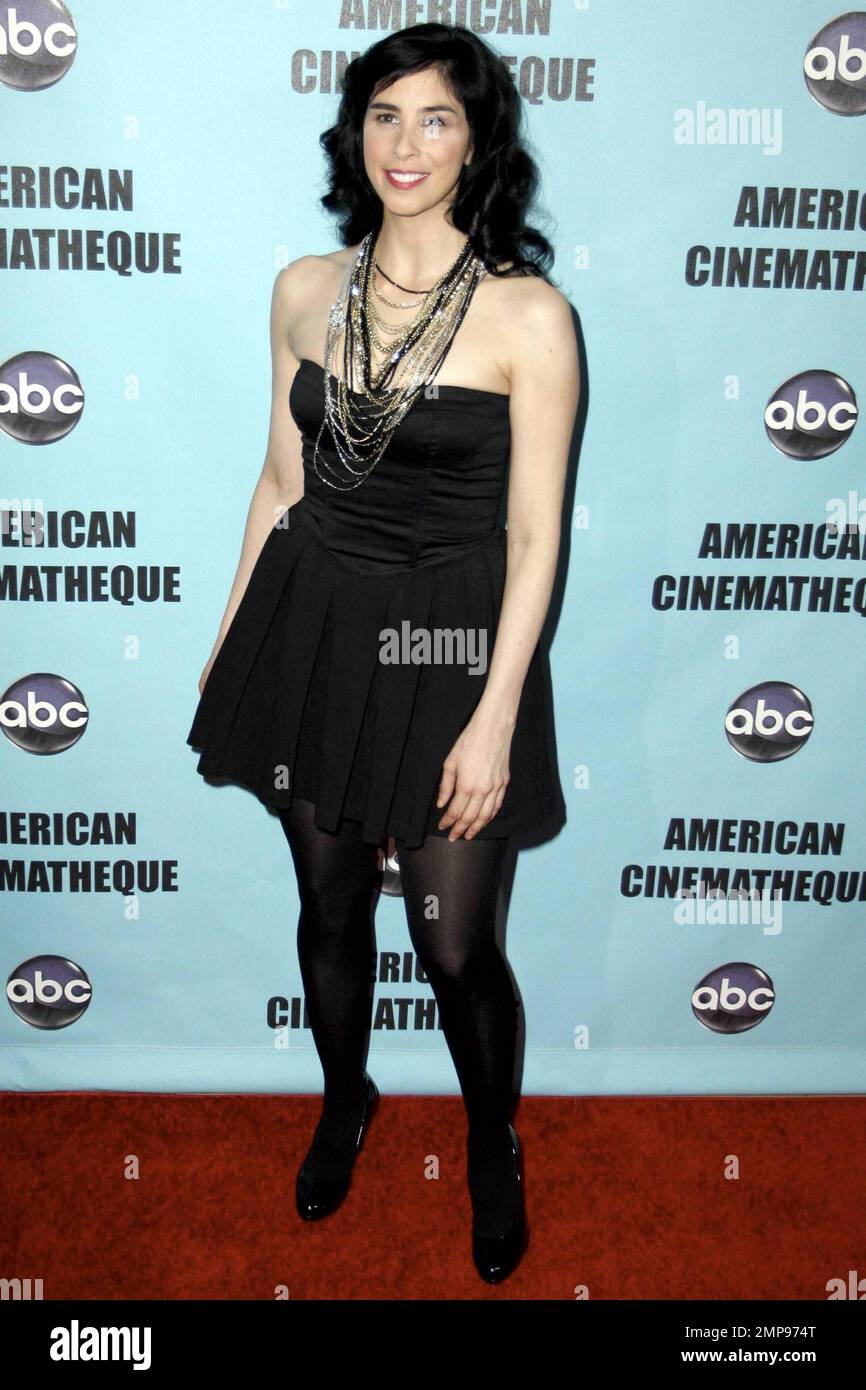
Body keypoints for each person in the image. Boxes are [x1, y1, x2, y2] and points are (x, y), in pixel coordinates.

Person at [186, 21, 579, 1285]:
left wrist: (494, 715)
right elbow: (277, 475)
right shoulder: (306, 286)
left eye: (436, 118)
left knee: (456, 946)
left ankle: (488, 1142)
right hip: (311, 627)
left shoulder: (529, 315)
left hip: (458, 647)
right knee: (326, 904)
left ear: (478, 144)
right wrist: (231, 632)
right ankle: (344, 1097)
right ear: (355, 134)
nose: (404, 144)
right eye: (383, 115)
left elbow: (534, 537)